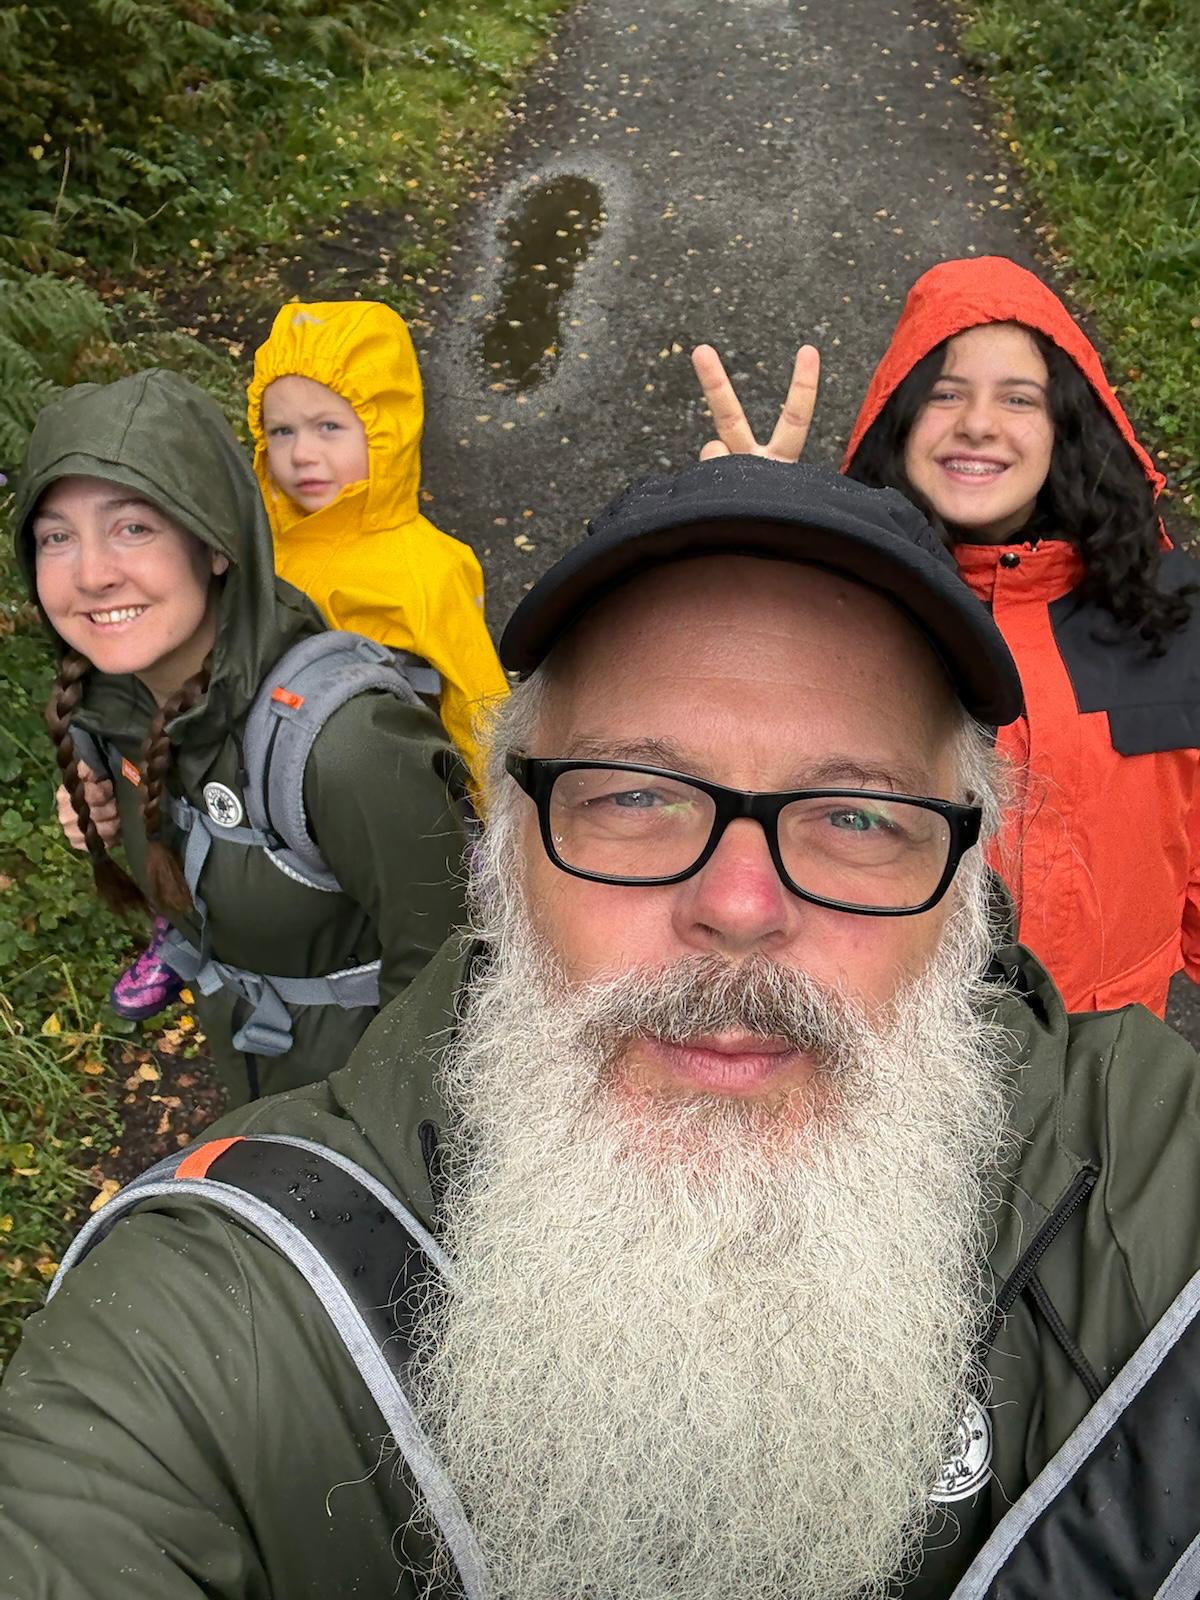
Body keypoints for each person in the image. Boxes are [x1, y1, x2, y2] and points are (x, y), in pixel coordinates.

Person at [6, 454, 1200, 1600]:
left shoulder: (1146, 1181)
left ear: (965, 878)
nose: (739, 906)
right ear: (505, 853)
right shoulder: (231, 1309)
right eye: (634, 795)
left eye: (856, 814)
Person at [18, 367, 467, 1105]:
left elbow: (445, 993)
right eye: (57, 537)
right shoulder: (110, 707)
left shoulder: (346, 746)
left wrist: (371, 1139)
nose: (92, 573)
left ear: (216, 544)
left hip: (362, 1114)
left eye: (133, 527)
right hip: (255, 1070)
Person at [840, 255, 1200, 1015]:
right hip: (908, 1048)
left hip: (1112, 1056)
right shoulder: (841, 607)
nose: (978, 423)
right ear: (897, 422)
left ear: (1065, 425)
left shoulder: (1169, 605)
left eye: (1018, 397)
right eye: (945, 394)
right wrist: (747, 550)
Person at [247, 298, 509, 781]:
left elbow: (480, 715)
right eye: (282, 431)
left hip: (385, 800)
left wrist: (501, 836)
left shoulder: (426, 572)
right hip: (271, 802)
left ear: (386, 430)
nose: (301, 453)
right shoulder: (259, 550)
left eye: (329, 427)